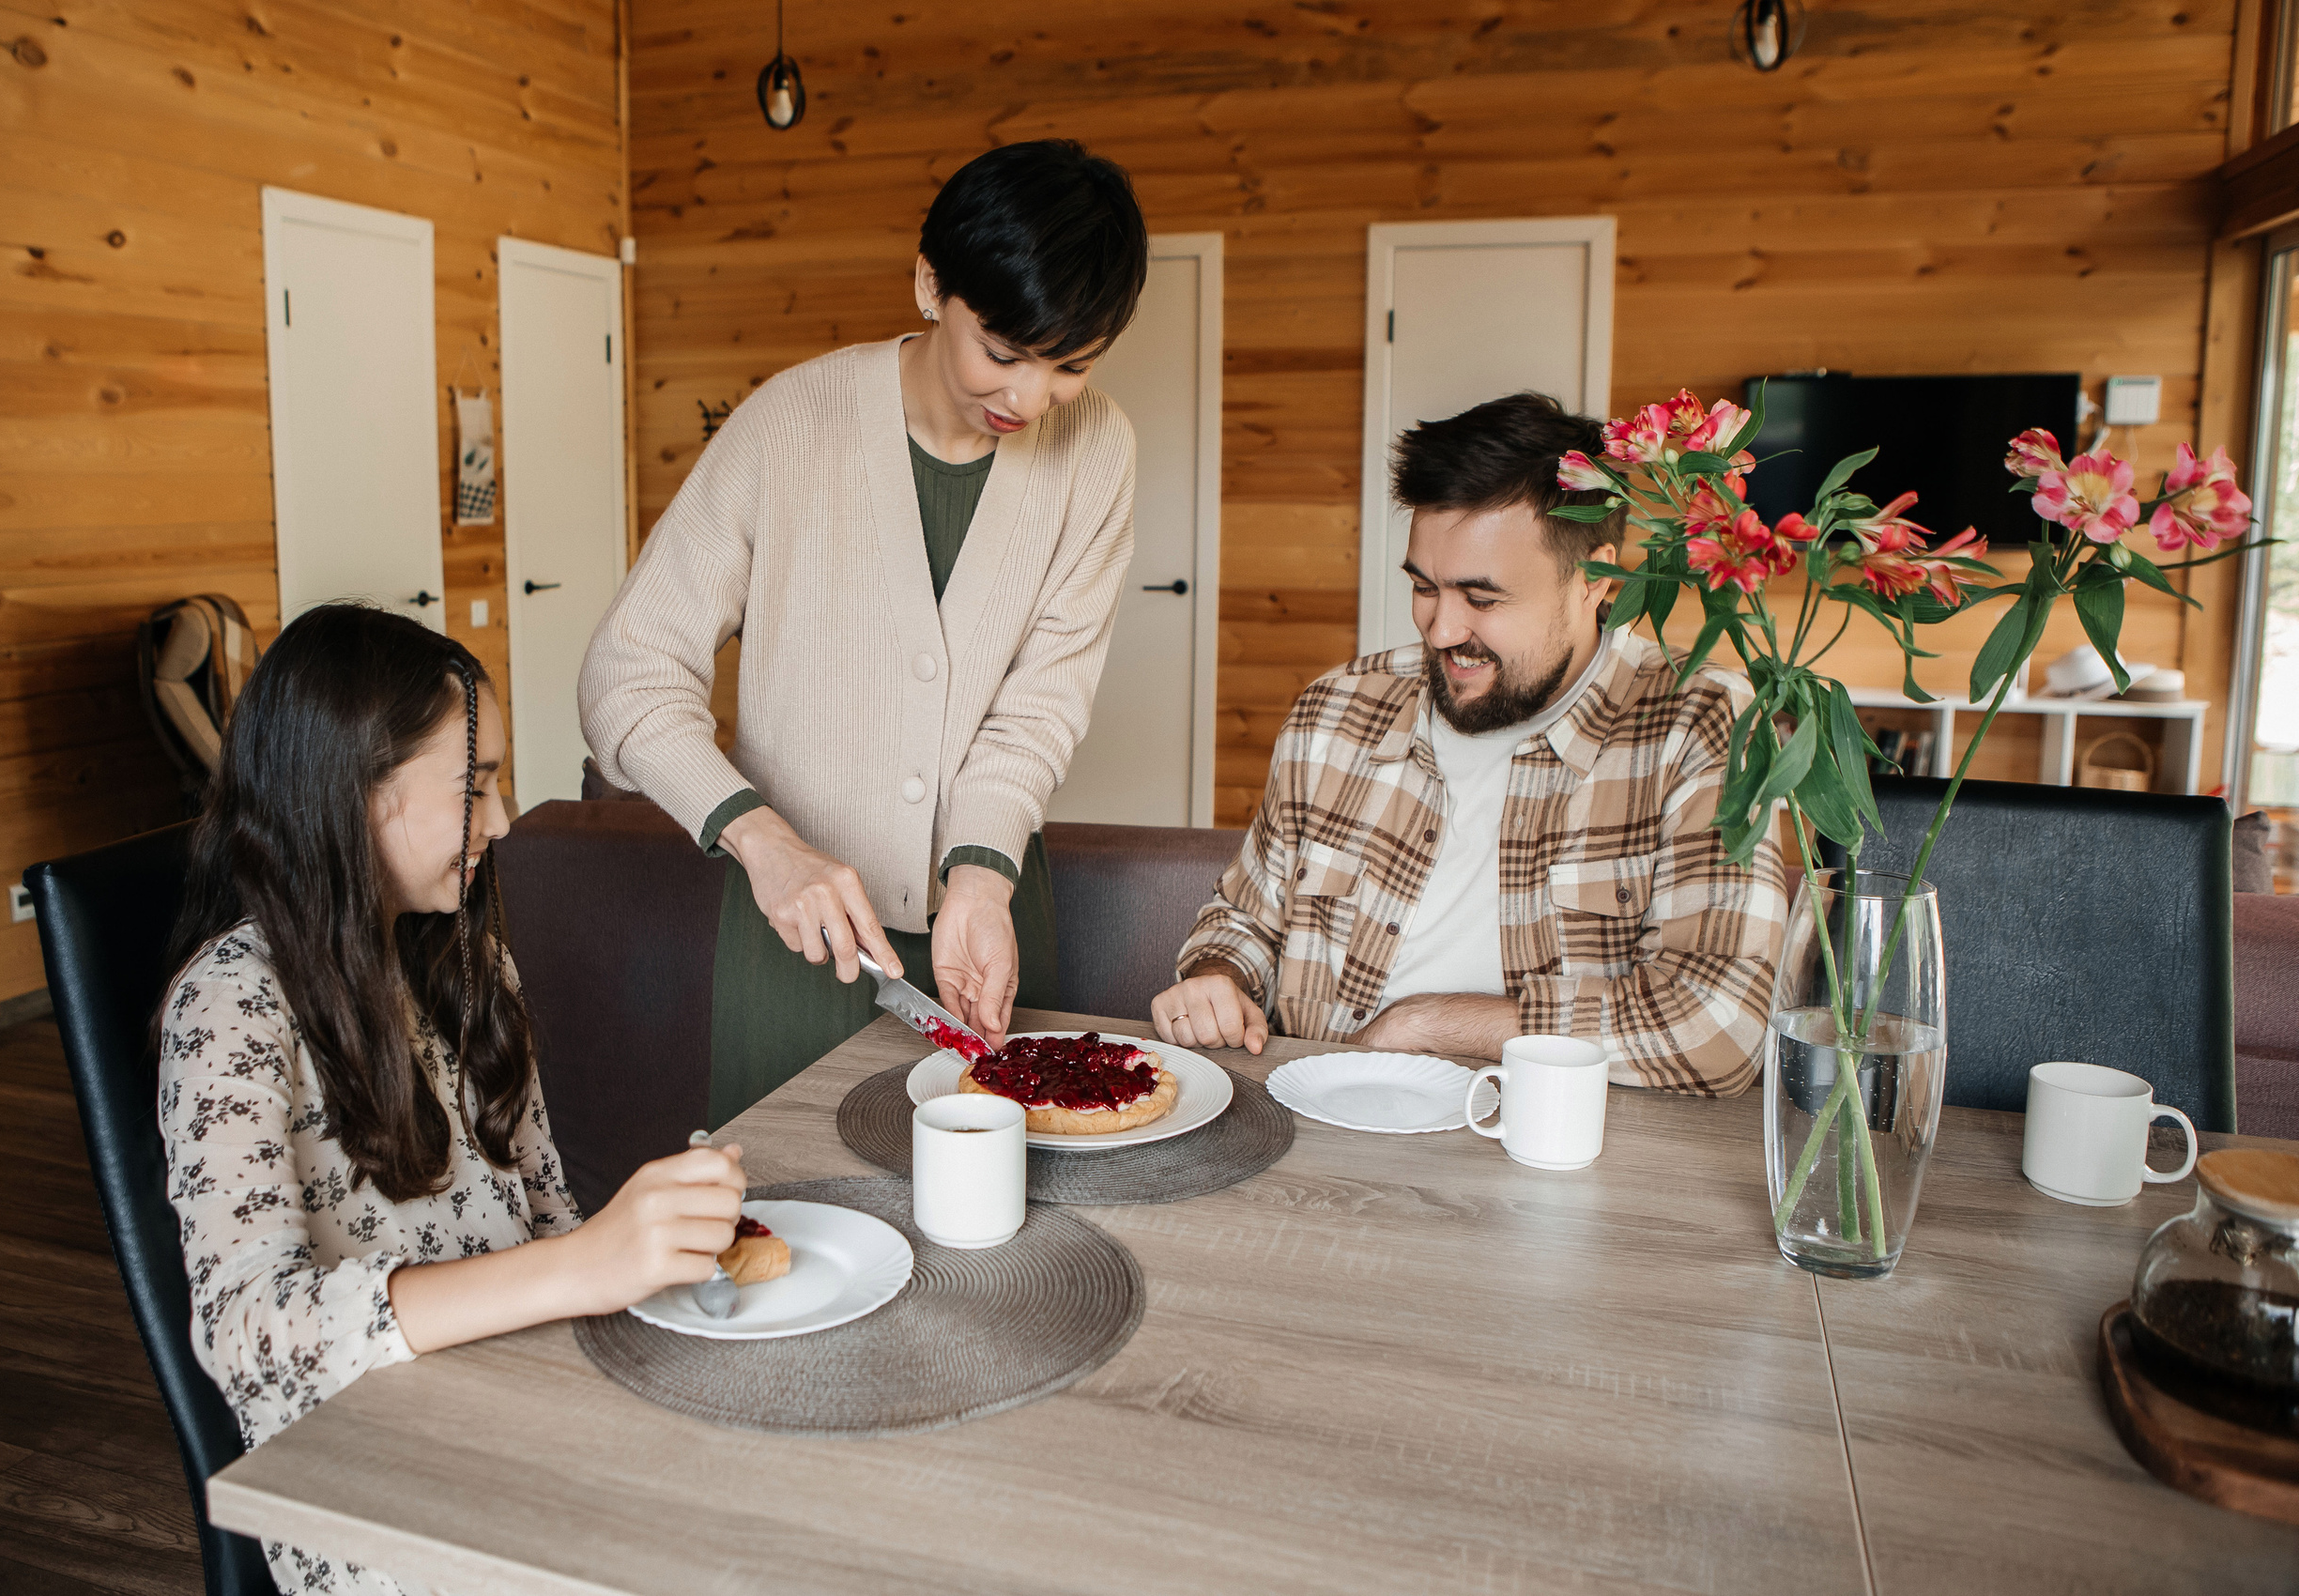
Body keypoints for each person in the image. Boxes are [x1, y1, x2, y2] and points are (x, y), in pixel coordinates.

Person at [158, 605, 749, 1596]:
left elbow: (547, 1203)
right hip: (382, 1496)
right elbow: (247, 1328)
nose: (505, 818)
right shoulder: (230, 1005)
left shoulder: (463, 961)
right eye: (474, 783)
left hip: (524, 1401)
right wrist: (575, 1266)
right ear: (353, 789)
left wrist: (632, 1263)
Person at [581, 139, 1147, 1125]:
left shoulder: (1097, 450)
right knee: (798, 1232)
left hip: (990, 916)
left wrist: (976, 880)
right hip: (792, 943)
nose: (1027, 398)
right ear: (931, 284)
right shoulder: (787, 424)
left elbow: (1038, 707)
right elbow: (625, 677)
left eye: (1069, 366)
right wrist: (761, 841)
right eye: (1003, 353)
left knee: (1015, 1248)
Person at [1150, 392, 1786, 1094]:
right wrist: (1218, 977)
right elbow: (1244, 918)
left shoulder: (1700, 723)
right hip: (1318, 1131)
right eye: (1425, 587)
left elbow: (1721, 1030)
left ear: (1595, 579)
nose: (1442, 629)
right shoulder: (1334, 710)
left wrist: (1427, 1027)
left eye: (1482, 599)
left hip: (1556, 1157)